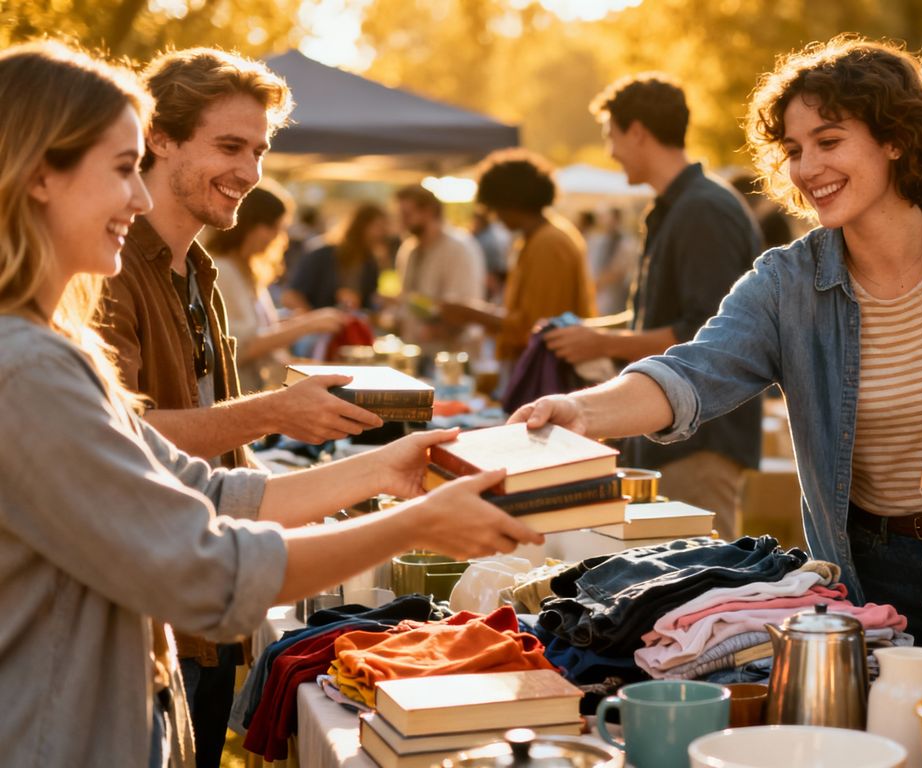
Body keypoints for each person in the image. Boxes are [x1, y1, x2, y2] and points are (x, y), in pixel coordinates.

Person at [0, 40, 541, 768]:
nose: (137, 196)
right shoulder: (28, 365)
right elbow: (207, 570)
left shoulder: (50, 348)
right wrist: (417, 523)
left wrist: (387, 469)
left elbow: (209, 490)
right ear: (40, 176)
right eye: (123, 170)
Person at [513, 37, 922, 647]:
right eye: (794, 150)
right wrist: (584, 410)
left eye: (829, 141)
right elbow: (691, 373)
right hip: (866, 573)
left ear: (895, 138)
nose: (807, 169)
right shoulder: (785, 283)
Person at [96, 46, 386, 767]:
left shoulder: (196, 267)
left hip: (211, 603)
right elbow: (122, 441)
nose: (250, 172)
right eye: (229, 146)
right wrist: (277, 413)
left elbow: (220, 452)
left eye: (258, 150)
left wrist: (322, 494)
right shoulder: (106, 270)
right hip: (152, 615)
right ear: (157, 137)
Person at [541, 74, 765, 536]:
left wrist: (599, 340)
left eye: (611, 135)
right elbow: (653, 319)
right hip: (670, 432)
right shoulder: (675, 206)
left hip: (703, 438)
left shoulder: (703, 210)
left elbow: (706, 336)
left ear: (638, 131)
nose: (610, 150)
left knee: (702, 582)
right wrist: (587, 333)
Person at [443, 150, 596, 368]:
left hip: (549, 372)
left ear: (510, 202)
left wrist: (473, 314)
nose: (494, 215)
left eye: (495, 207)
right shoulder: (533, 239)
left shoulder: (549, 243)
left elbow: (537, 328)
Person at [206, 181, 348, 393]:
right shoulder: (223, 271)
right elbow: (241, 346)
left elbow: (259, 333)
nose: (277, 237)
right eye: (273, 227)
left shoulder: (246, 272)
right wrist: (308, 325)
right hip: (237, 397)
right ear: (250, 225)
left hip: (255, 392)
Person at [392, 184, 485, 351]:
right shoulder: (408, 249)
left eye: (407, 215)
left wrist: (435, 330)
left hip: (453, 353)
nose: (402, 222)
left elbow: (463, 307)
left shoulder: (459, 247)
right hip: (416, 350)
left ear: (428, 211)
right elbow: (408, 300)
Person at [282, 201, 389, 314]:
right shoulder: (322, 254)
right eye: (378, 227)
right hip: (318, 328)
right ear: (361, 226)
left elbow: (369, 302)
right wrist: (315, 321)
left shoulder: (370, 263)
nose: (384, 233)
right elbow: (291, 296)